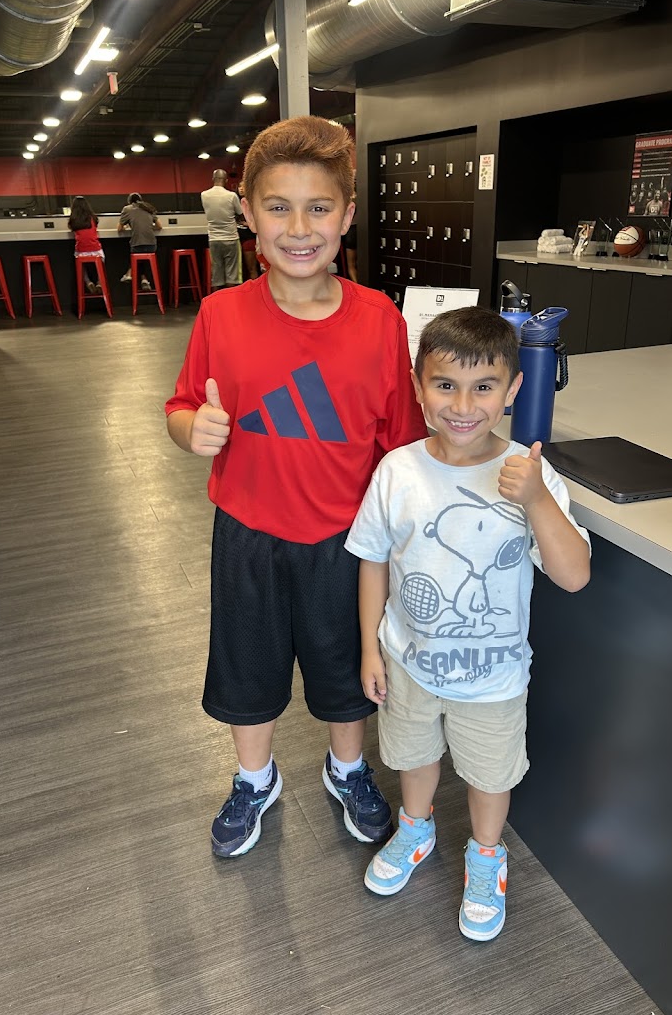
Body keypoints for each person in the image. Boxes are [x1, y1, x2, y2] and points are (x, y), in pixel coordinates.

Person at [165, 115, 426, 860]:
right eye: (279, 207)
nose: (300, 228)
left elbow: (401, 443)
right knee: (246, 663)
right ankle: (255, 778)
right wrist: (192, 430)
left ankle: (348, 767)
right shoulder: (220, 314)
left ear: (347, 215)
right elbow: (181, 407)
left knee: (346, 663)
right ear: (248, 213)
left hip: (348, 537)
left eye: (319, 208)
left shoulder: (379, 320)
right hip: (247, 530)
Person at [345, 306, 590, 941]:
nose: (462, 405)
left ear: (513, 389)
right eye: (445, 385)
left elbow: (573, 576)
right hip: (409, 663)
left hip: (495, 677)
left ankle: (486, 856)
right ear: (417, 385)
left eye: (484, 387)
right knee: (413, 757)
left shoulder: (532, 475)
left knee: (489, 775)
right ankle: (416, 829)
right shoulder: (397, 470)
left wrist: (536, 499)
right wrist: (371, 649)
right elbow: (372, 560)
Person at [200, 170, 244, 291]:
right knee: (232, 275)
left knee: (217, 274)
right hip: (231, 238)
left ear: (213, 179)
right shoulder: (231, 196)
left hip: (214, 239)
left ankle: (217, 301)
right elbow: (240, 213)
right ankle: (231, 301)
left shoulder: (204, 195)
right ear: (226, 180)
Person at [117, 193, 162, 291]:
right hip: (152, 245)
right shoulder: (148, 208)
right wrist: (149, 227)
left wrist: (128, 227)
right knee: (141, 258)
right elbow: (159, 226)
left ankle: (129, 273)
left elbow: (119, 229)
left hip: (137, 245)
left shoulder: (127, 209)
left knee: (137, 254)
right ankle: (144, 279)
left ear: (130, 202)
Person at [68, 195, 103, 294]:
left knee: (81, 265)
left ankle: (88, 282)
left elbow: (72, 230)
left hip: (81, 250)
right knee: (101, 260)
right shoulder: (93, 218)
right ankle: (99, 282)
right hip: (95, 249)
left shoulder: (74, 220)